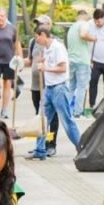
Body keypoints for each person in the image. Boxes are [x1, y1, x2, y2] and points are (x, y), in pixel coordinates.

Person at [27, 25, 83, 161]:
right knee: (42, 119)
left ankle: (82, 148)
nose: (36, 40)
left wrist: (46, 68)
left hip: (59, 88)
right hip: (48, 88)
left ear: (43, 35)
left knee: (66, 120)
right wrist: (43, 62)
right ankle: (40, 149)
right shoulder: (45, 49)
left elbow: (63, 68)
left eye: (37, 37)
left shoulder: (58, 47)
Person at [24, 18, 58, 157]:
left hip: (49, 85)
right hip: (35, 85)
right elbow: (29, 60)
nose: (39, 26)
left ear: (49, 26)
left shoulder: (55, 43)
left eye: (42, 24)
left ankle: (50, 144)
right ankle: (40, 146)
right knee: (39, 117)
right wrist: (18, 63)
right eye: (37, 24)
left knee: (51, 117)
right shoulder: (33, 41)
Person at [66, 10, 92, 117]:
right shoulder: (84, 24)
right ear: (84, 16)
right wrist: (93, 38)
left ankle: (66, 111)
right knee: (81, 87)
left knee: (71, 87)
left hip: (71, 60)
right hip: (82, 61)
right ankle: (78, 112)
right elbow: (83, 34)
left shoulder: (72, 27)